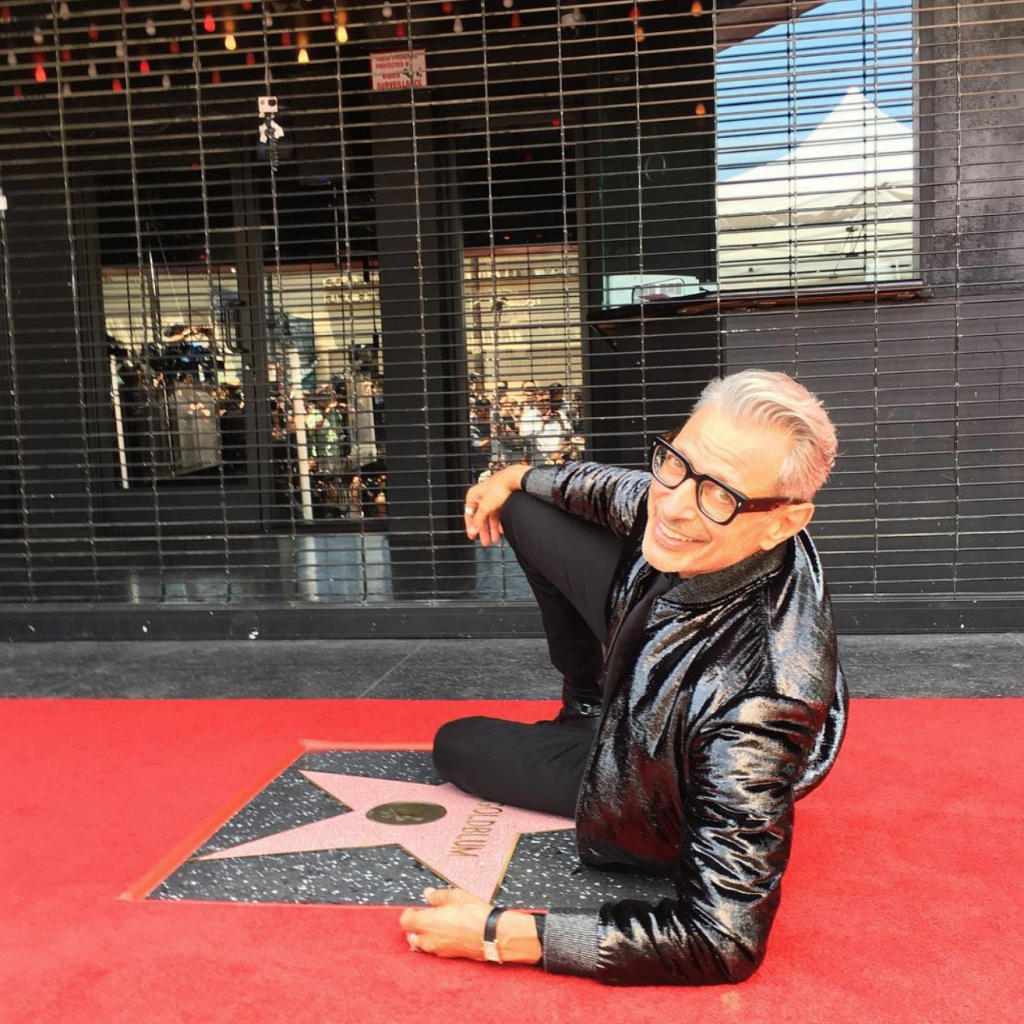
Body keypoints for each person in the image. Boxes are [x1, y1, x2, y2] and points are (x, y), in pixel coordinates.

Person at [399, 369, 848, 985]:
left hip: (652, 776)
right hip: (647, 660)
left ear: (784, 522)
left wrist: (505, 934)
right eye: (676, 462)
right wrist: (514, 477)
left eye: (719, 494)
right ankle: (586, 705)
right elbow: (615, 488)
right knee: (528, 507)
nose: (672, 504)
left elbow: (723, 941)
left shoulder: (759, 702)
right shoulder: (690, 499)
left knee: (457, 743)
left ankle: (591, 737)